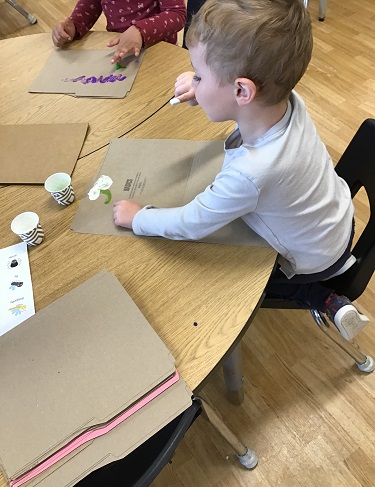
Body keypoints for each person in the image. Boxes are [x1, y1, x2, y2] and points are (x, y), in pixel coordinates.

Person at [113, 0, 370, 341]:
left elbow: (189, 223)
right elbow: (243, 93)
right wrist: (204, 88)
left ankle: (320, 297)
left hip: (312, 258)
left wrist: (139, 217)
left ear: (241, 91)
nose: (194, 80)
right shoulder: (288, 99)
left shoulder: (251, 173)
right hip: (337, 219)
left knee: (232, 281)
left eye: (200, 75)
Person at [52, 0, 186, 64]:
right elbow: (90, 6)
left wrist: (140, 30)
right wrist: (74, 26)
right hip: (119, 53)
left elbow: (177, 15)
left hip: (158, 52)